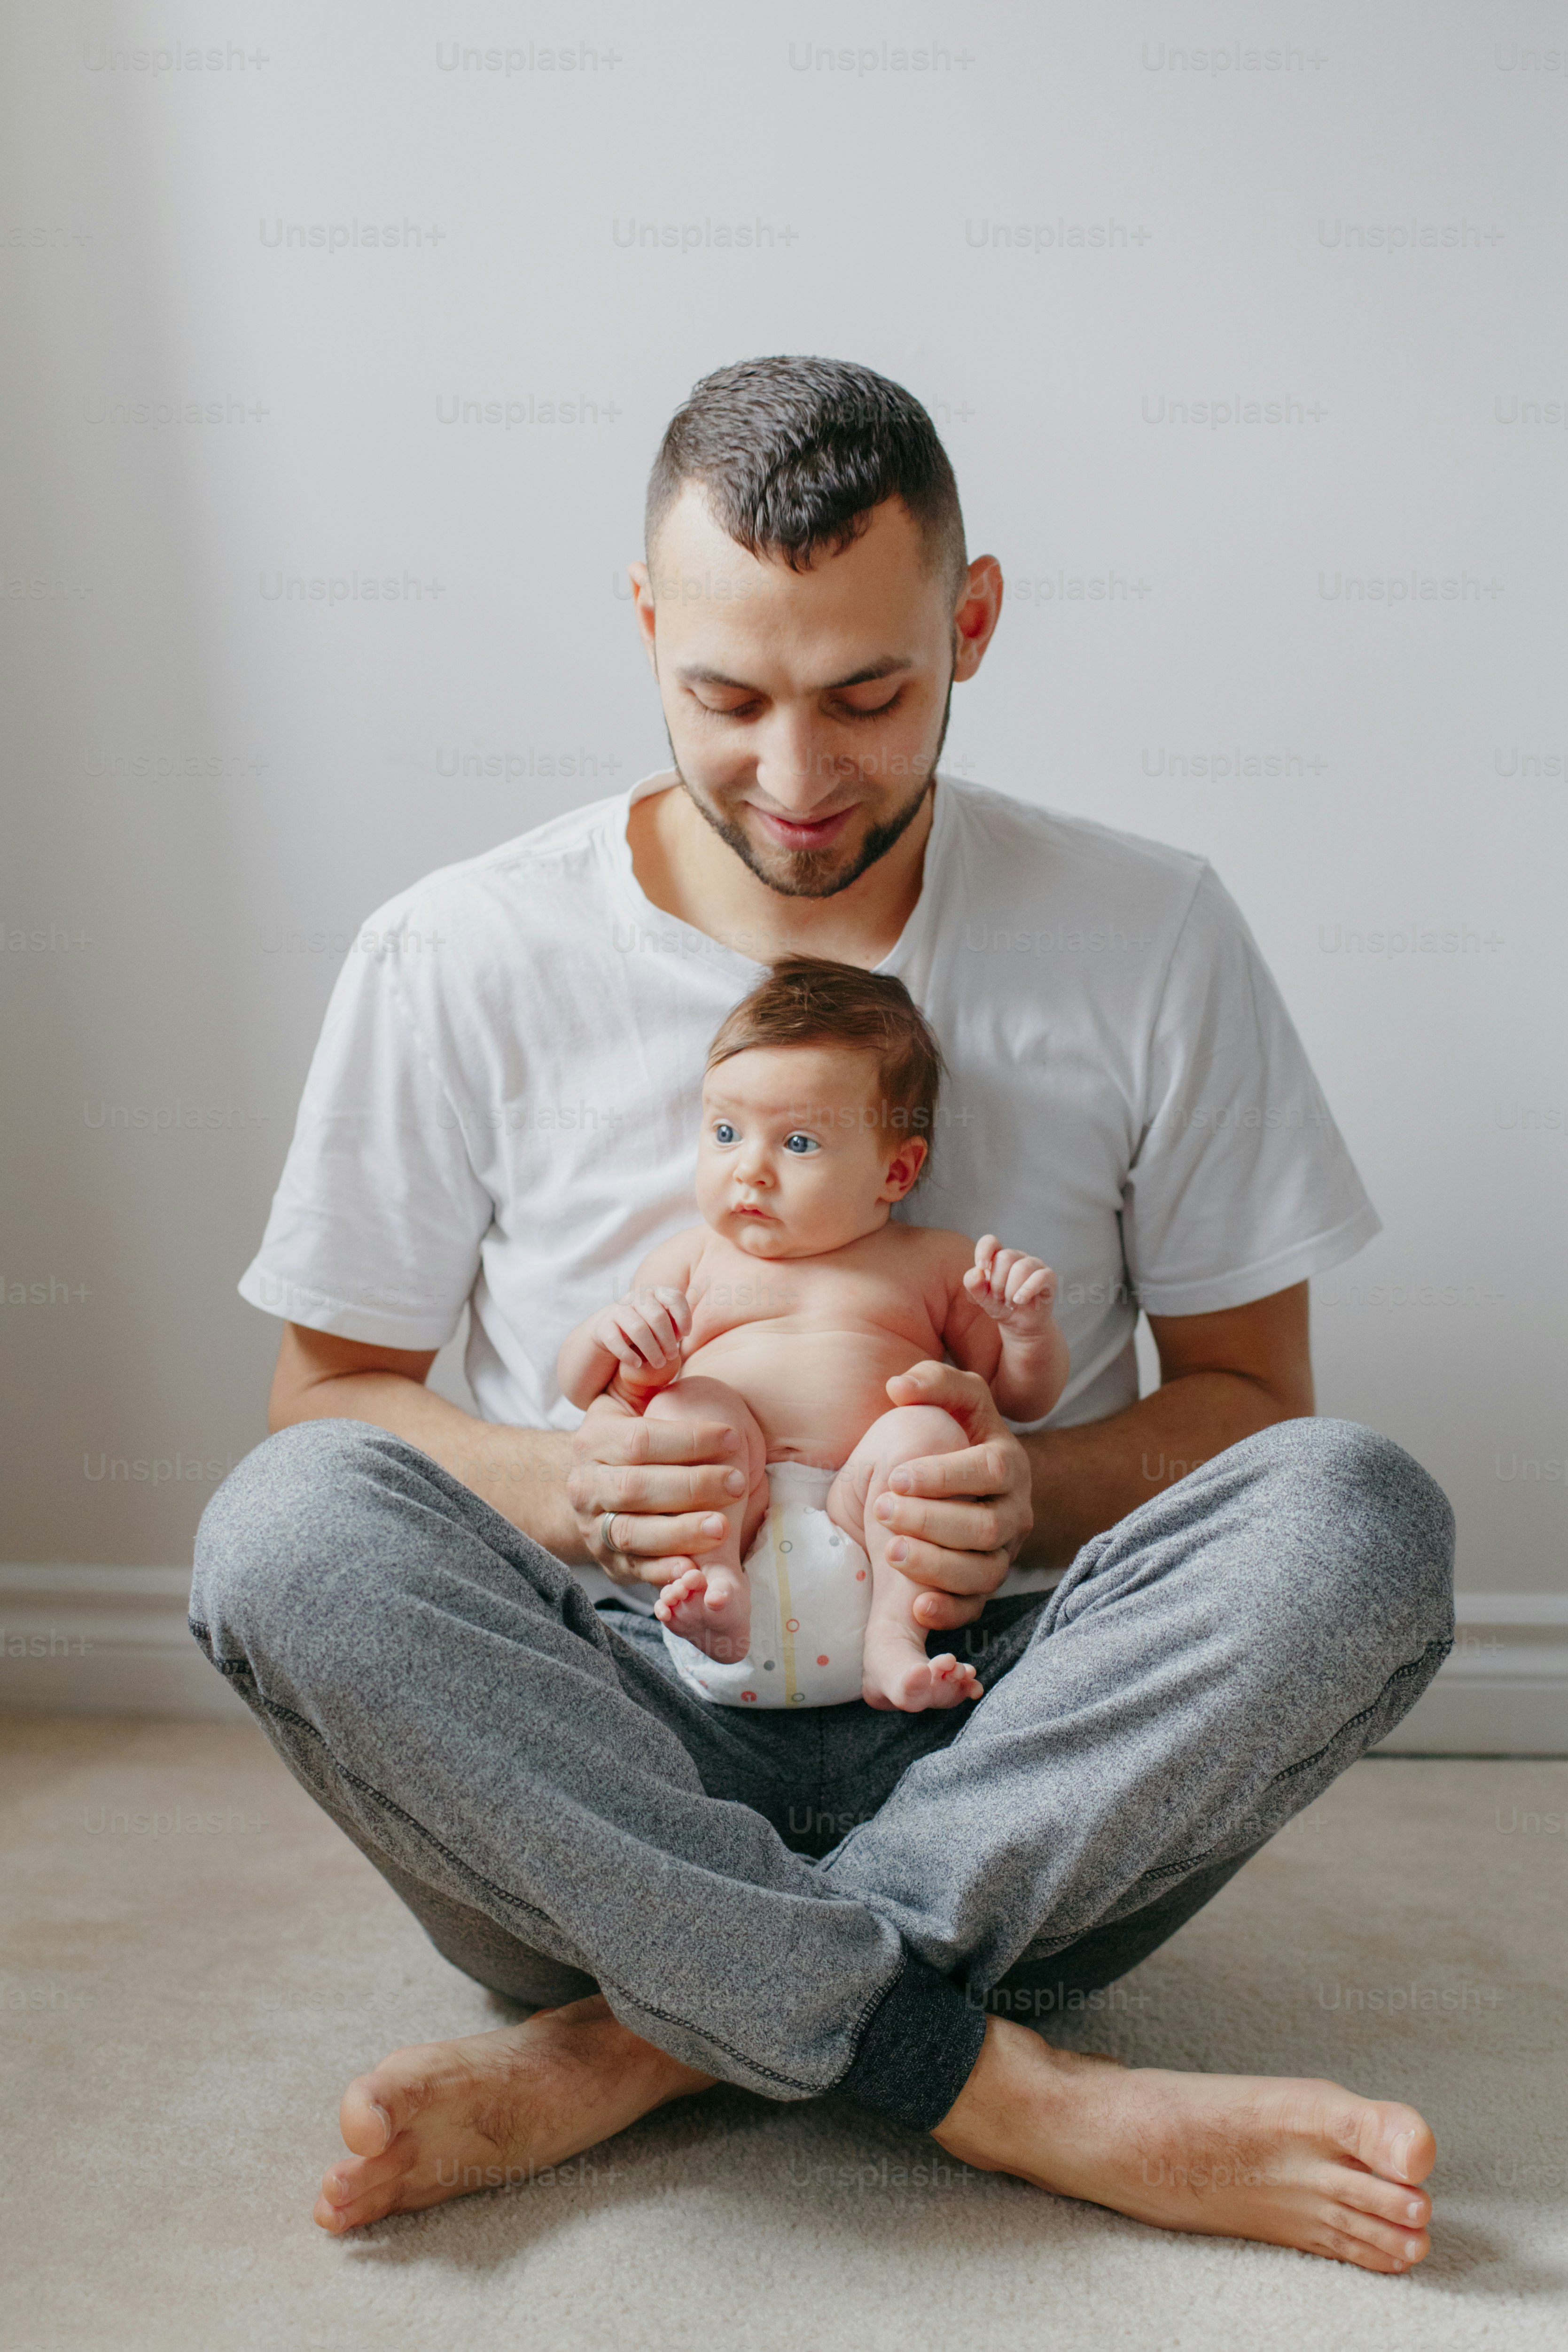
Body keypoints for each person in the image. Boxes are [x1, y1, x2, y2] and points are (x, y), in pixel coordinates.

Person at [191, 355, 1454, 2272]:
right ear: (643, 629)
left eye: (869, 694)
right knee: (277, 1536)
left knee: (1363, 1515)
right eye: (727, 696)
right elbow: (330, 1398)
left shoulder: (1149, 931)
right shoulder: (457, 949)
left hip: (1008, 1742)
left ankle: (651, 2033)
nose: (796, 779)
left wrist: (1024, 1490)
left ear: (973, 622)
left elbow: (1249, 1407)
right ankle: (999, 2088)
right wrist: (573, 1486)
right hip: (609, 1743)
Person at [555, 955, 1070, 1709]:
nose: (750, 1171)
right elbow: (584, 1389)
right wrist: (614, 1332)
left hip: (869, 1510)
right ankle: (717, 1587)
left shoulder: (933, 1263)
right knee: (686, 1405)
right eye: (726, 1131)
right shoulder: (690, 1256)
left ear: (896, 1173)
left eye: (798, 1144)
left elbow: (1021, 1400)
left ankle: (893, 1641)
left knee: (926, 1432)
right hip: (734, 1507)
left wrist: (1024, 1331)